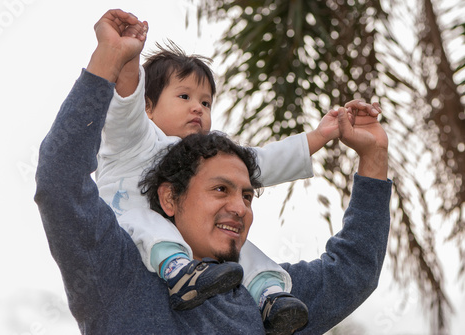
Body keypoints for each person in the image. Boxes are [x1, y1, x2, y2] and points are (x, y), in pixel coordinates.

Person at [35, 9, 391, 335]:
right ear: (169, 197)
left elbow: (353, 272)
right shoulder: (117, 272)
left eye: (248, 194)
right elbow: (61, 179)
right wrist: (111, 60)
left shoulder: (270, 312)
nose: (240, 207)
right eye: (221, 190)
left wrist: (373, 156)